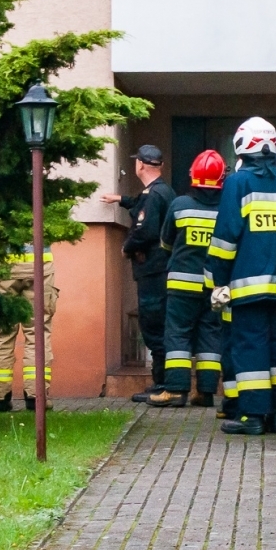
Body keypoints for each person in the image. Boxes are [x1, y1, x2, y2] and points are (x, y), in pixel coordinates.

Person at [207, 116, 276, 436]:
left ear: (242, 144)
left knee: (250, 346)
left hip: (248, 286)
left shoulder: (238, 183)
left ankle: (252, 417)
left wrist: (216, 278)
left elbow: (226, 235)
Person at [144, 150, 228, 408]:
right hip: (214, 287)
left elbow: (165, 243)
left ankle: (176, 390)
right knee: (210, 336)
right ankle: (205, 392)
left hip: (181, 285)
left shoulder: (180, 205)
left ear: (193, 177)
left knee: (178, 335)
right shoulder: (227, 209)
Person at [102, 144, 176, 403]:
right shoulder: (162, 192)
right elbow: (142, 206)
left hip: (153, 271)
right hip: (160, 269)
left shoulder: (153, 196)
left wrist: (126, 246)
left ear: (140, 165)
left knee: (153, 324)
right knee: (158, 323)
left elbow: (145, 230)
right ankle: (161, 382)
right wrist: (121, 200)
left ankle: (162, 384)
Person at [0, 245, 56, 412]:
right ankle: (35, 396)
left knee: (1, 332)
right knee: (38, 332)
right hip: (39, 265)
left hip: (2, 267)